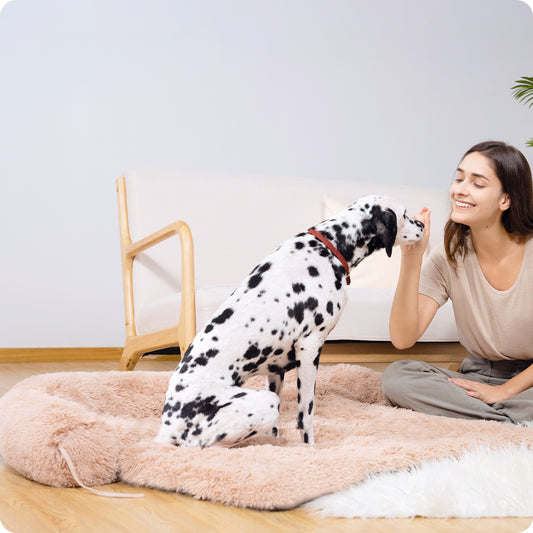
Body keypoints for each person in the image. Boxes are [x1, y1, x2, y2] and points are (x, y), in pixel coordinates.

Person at [382, 140, 533, 424]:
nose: (460, 189)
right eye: (459, 178)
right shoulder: (449, 256)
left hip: (528, 381)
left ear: (506, 199)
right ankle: (514, 418)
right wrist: (412, 259)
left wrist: (504, 392)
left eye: (478, 183)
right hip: (480, 375)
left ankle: (495, 414)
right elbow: (403, 339)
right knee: (397, 377)